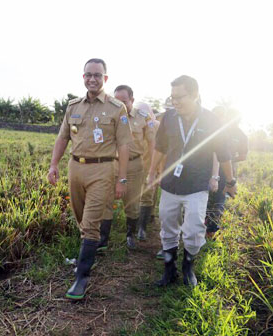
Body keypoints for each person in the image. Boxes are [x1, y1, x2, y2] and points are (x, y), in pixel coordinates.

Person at [47, 58, 132, 300]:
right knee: (81, 219)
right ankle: (88, 256)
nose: (92, 79)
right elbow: (63, 138)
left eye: (97, 75)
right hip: (76, 168)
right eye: (88, 75)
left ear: (105, 78)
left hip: (103, 170)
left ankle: (81, 277)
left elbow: (124, 145)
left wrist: (122, 179)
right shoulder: (73, 106)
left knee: (91, 222)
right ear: (83, 77)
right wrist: (54, 165)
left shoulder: (117, 108)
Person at [147, 75, 237, 287]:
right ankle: (169, 270)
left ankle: (188, 268)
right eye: (172, 97)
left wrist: (231, 180)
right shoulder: (168, 117)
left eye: (180, 97)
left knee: (194, 229)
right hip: (170, 183)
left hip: (197, 185)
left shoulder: (211, 120)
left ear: (195, 95)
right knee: (167, 226)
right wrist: (152, 172)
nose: (175, 101)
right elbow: (159, 147)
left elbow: (223, 154)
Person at [100, 87, 156, 250]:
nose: (120, 104)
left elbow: (152, 143)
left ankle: (130, 234)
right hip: (112, 163)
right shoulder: (109, 114)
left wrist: (152, 167)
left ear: (132, 100)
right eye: (116, 101)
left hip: (134, 165)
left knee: (132, 203)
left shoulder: (143, 118)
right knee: (107, 200)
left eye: (123, 101)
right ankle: (103, 238)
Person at [205, 106, 248, 238]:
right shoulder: (218, 130)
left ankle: (210, 232)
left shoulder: (241, 136)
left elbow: (243, 156)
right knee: (204, 198)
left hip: (227, 172)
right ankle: (198, 227)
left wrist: (227, 159)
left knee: (219, 201)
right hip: (209, 168)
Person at [135, 102, 159, 241]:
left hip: (150, 164)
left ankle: (142, 228)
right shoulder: (131, 124)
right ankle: (142, 224)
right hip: (137, 164)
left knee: (147, 194)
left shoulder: (156, 126)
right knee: (145, 194)